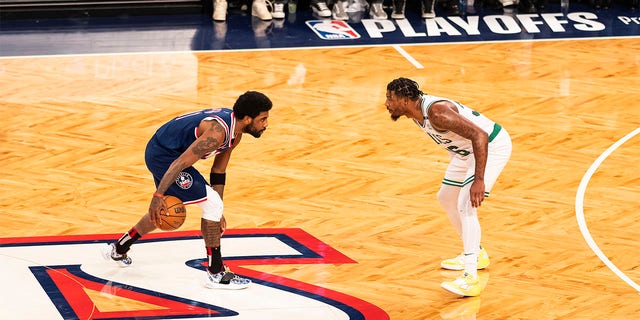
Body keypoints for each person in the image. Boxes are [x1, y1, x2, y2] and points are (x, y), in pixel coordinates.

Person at [101, 91, 273, 290]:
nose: (266, 124)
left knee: (169, 209)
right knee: (198, 203)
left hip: (167, 153)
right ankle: (215, 273)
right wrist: (157, 195)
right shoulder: (218, 132)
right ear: (248, 118)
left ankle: (118, 248)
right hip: (164, 155)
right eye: (263, 119)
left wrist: (217, 212)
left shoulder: (235, 134)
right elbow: (181, 162)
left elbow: (218, 171)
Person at [384, 78, 512, 297]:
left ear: (405, 100)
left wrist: (478, 180)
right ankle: (476, 252)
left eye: (390, 98)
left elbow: (479, 135)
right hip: (465, 153)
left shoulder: (438, 113)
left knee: (466, 205)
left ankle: (470, 278)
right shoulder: (416, 113)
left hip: (489, 147)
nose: (386, 104)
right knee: (445, 198)